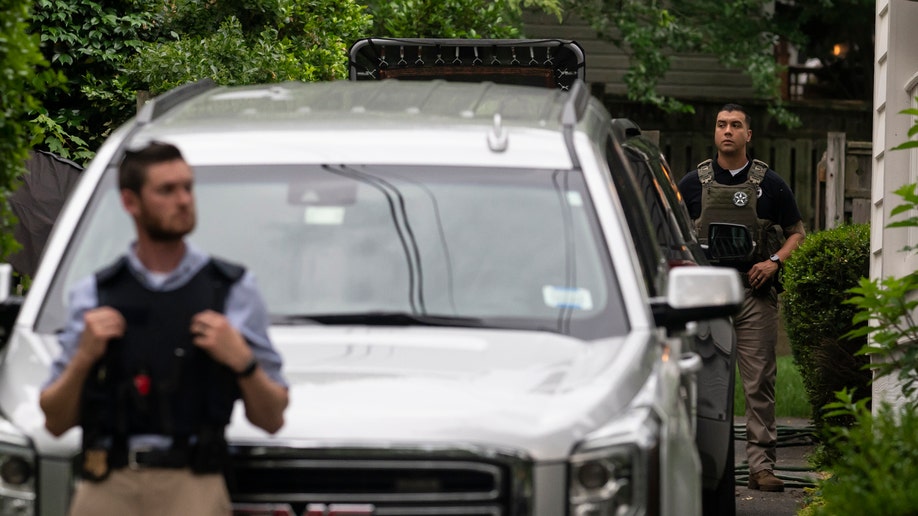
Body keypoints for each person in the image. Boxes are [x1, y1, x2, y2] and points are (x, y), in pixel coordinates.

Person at [39, 142, 289, 515]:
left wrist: (243, 361)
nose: (184, 200)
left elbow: (272, 419)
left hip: (192, 485)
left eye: (187, 187)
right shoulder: (94, 294)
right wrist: (84, 357)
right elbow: (55, 421)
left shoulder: (231, 290)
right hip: (108, 483)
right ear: (131, 202)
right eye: (166, 190)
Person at [678, 104, 806, 493]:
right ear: (714, 133)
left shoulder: (772, 184)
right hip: (708, 296)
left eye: (736, 125)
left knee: (759, 383)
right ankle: (697, 467)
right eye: (721, 125)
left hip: (755, 292)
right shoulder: (691, 183)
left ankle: (761, 467)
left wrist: (773, 263)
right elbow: (672, 235)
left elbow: (796, 233)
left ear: (748, 134)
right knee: (701, 382)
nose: (728, 131)